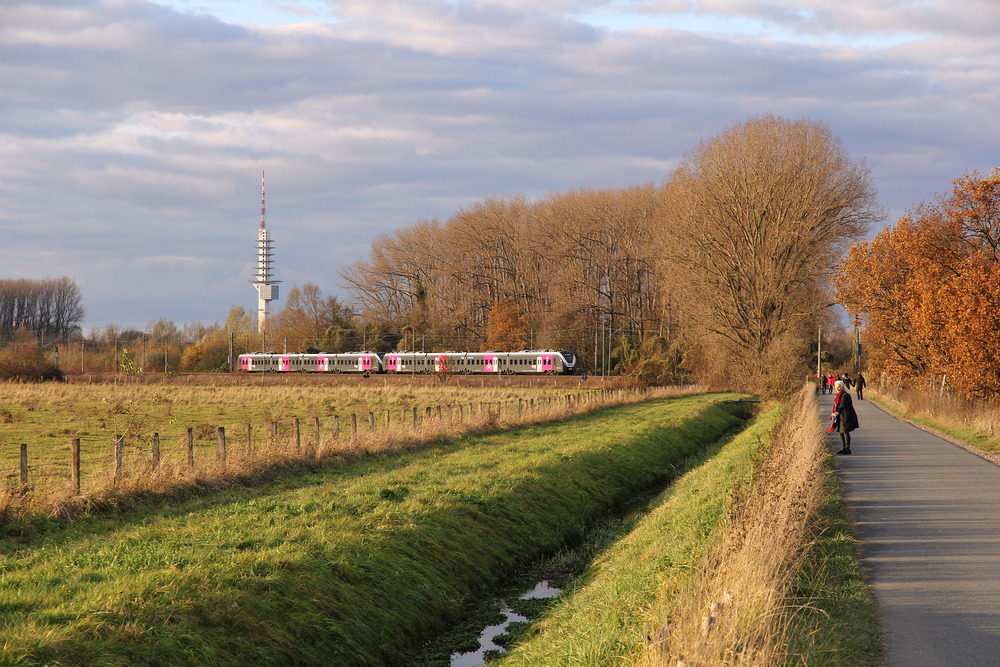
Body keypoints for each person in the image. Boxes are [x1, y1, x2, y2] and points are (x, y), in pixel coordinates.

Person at [830, 379, 860, 455]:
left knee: (845, 432)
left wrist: (837, 412)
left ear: (842, 387)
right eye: (836, 387)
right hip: (841, 416)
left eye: (839, 387)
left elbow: (843, 405)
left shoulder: (845, 395)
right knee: (840, 432)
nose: (837, 388)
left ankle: (847, 448)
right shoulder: (838, 395)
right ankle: (843, 448)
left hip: (846, 416)